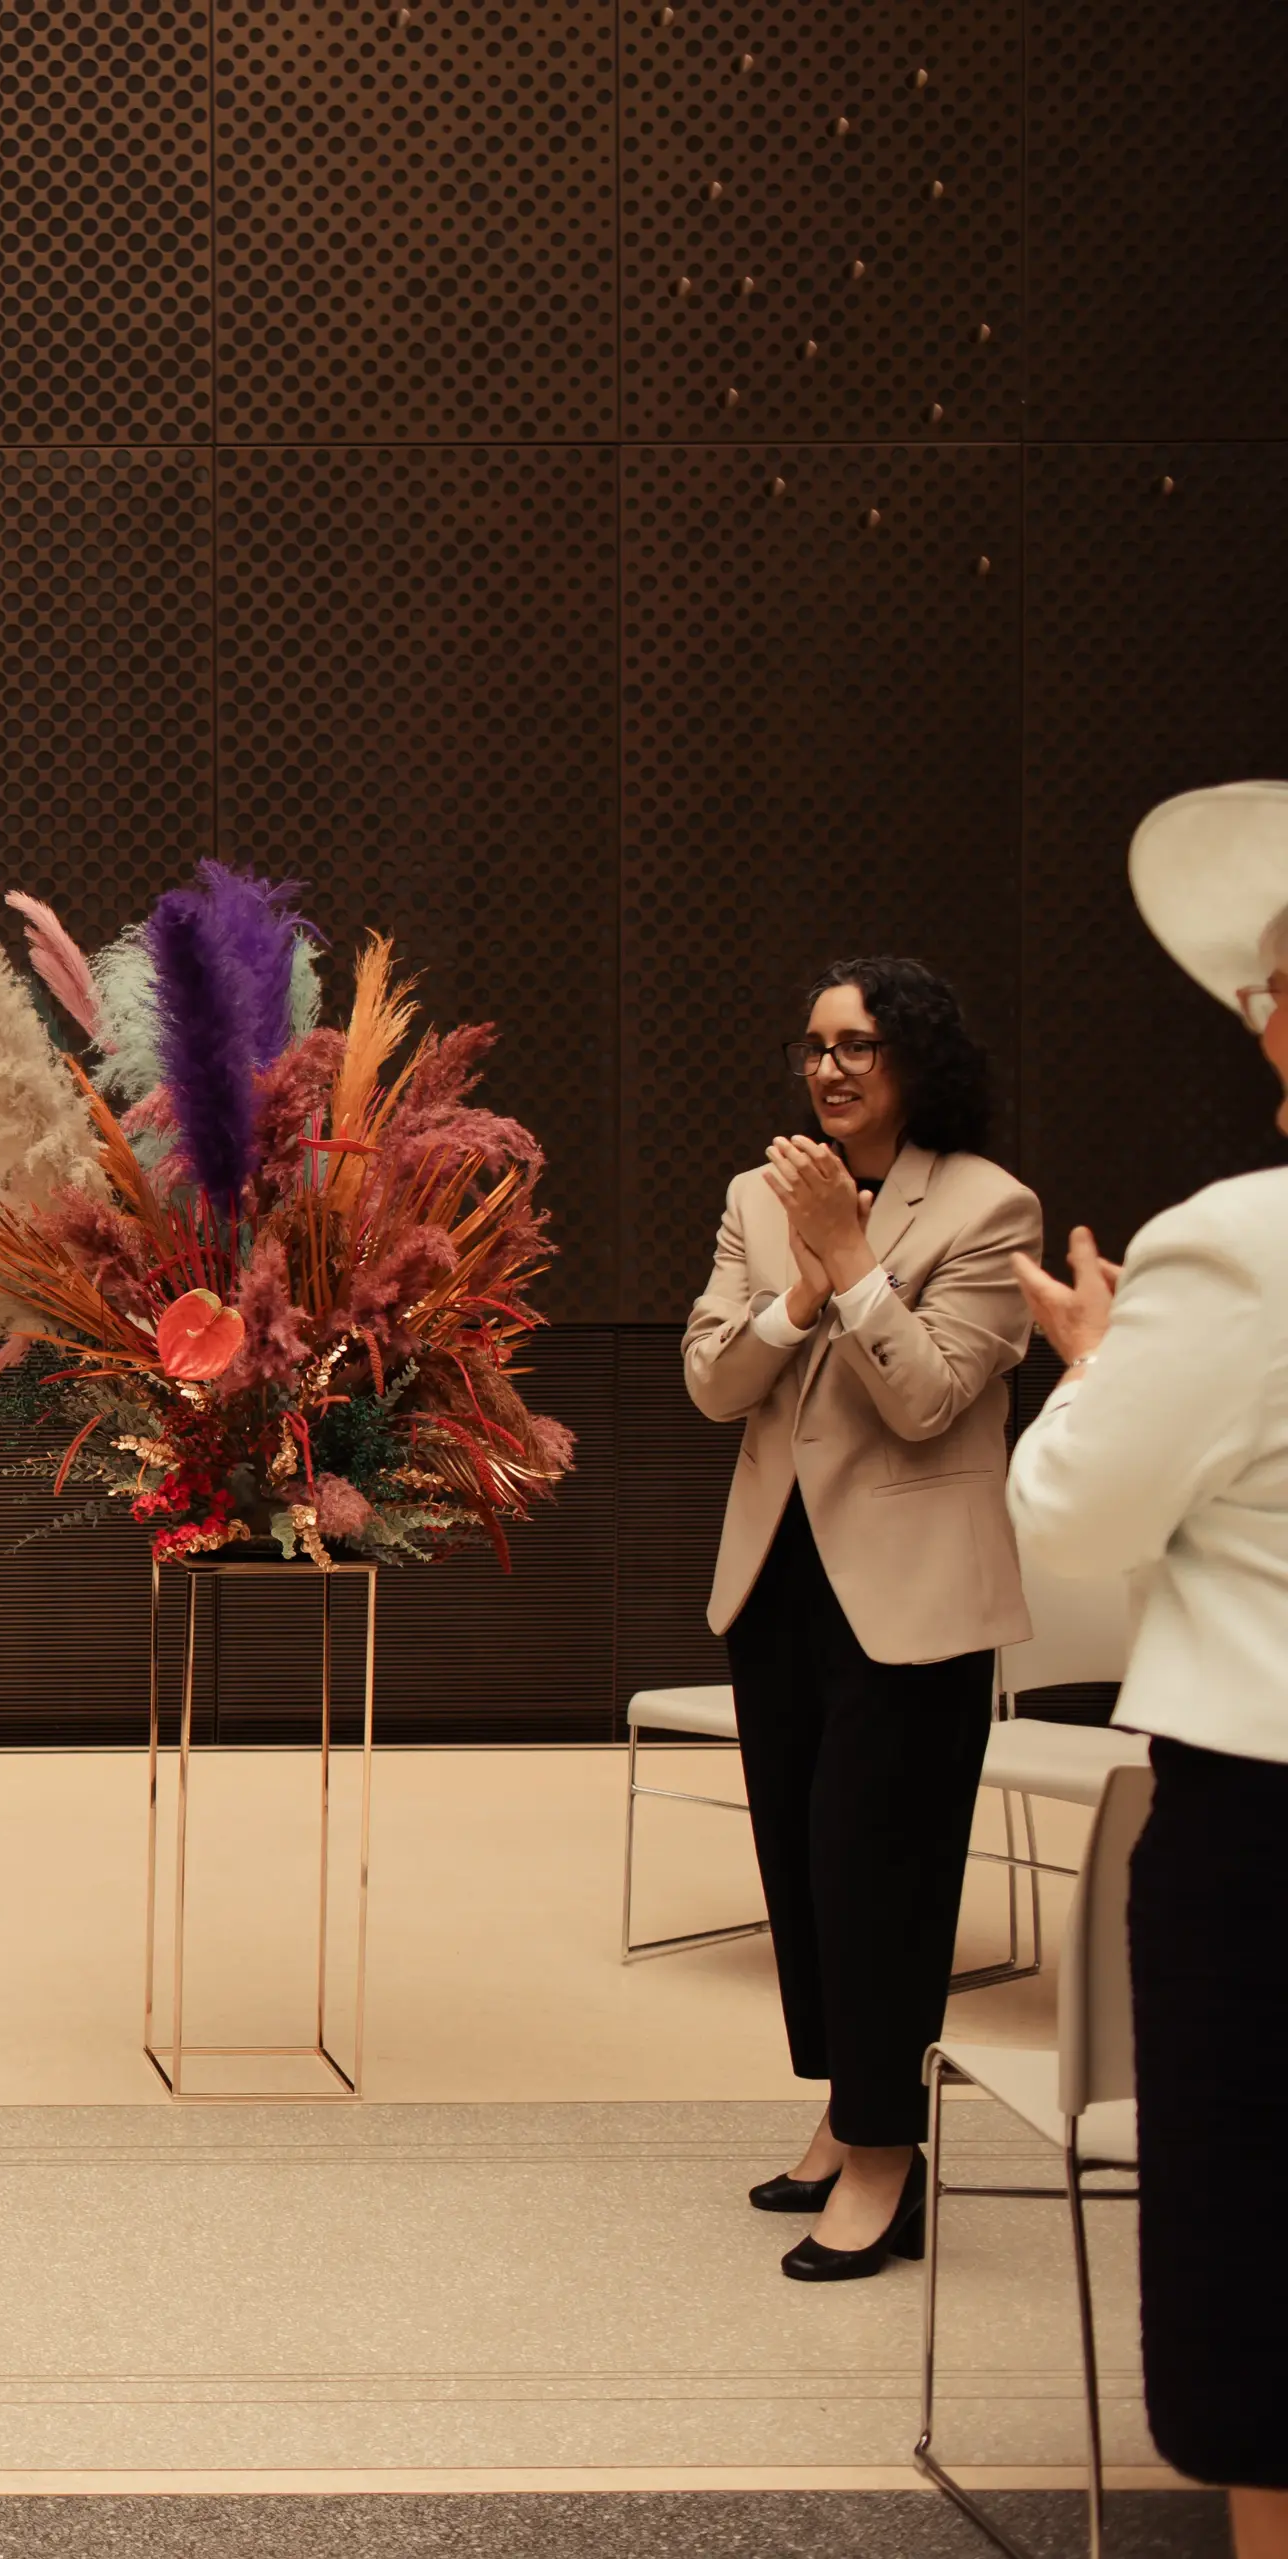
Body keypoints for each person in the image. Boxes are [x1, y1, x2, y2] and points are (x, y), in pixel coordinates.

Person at [1003, 779, 1288, 2552]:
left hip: (1270, 1822)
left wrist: (1098, 1362)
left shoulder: (1240, 1244)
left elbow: (1078, 1516)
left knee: (1265, 2232)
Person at [680, 959, 1041, 2281]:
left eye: (863, 1046)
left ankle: (890, 2157)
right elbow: (716, 1382)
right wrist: (794, 1290)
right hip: (778, 1581)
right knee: (805, 1872)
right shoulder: (753, 1198)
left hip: (915, 1601)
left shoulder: (991, 1206)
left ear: (917, 1062)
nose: (832, 1068)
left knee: (877, 1877)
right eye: (818, 1043)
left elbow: (932, 1398)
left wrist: (851, 1263)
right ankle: (847, 2106)